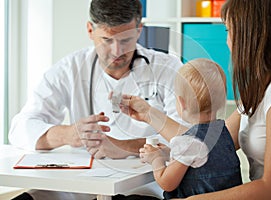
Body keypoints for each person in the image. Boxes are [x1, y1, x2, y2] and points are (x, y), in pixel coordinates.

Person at [121, 0, 271, 199]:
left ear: (250, 34)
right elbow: (209, 139)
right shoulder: (263, 85)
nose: (227, 41)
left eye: (228, 30)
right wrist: (148, 113)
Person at [9, 0, 184, 199]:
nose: (117, 51)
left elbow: (186, 138)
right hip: (80, 183)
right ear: (90, 30)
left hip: (141, 185)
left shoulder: (168, 69)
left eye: (125, 39)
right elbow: (19, 128)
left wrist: (125, 146)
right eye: (107, 40)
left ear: (139, 30)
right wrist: (68, 134)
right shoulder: (70, 68)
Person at [135, 58, 242, 199]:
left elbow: (167, 183)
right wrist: (168, 152)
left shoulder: (187, 143)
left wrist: (156, 160)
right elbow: (199, 159)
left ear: (181, 103)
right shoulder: (223, 133)